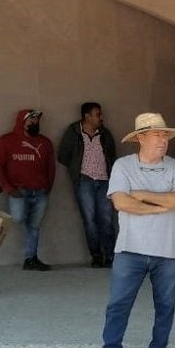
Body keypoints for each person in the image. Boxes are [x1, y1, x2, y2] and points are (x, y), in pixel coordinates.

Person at [77, 113, 175, 348]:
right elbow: (120, 203)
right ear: (141, 138)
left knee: (165, 305)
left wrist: (141, 195)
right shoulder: (123, 166)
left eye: (165, 135)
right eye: (157, 135)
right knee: (118, 304)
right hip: (130, 247)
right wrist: (162, 203)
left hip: (168, 249)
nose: (163, 140)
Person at [0, 109, 56, 271]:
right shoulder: (6, 141)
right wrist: (7, 188)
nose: (35, 123)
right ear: (22, 121)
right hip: (18, 191)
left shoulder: (45, 142)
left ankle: (30, 258)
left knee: (34, 225)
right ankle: (30, 256)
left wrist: (48, 186)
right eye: (31, 120)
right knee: (18, 217)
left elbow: (51, 167)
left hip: (40, 191)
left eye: (37, 120)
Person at [57, 102, 118, 268]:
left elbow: (112, 155)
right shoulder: (74, 132)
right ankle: (96, 255)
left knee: (106, 219)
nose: (101, 117)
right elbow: (63, 155)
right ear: (87, 116)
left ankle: (110, 255)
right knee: (90, 220)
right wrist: (76, 169)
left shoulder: (105, 134)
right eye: (97, 114)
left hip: (105, 180)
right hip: (84, 181)